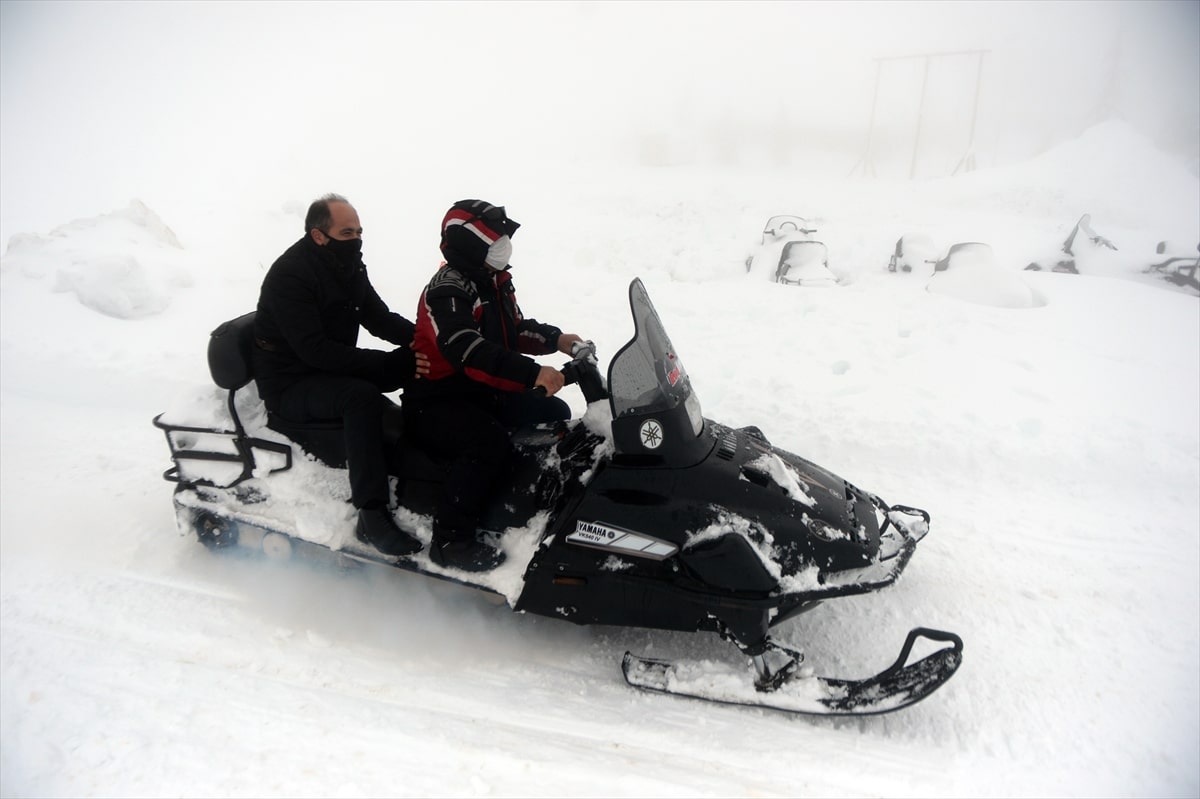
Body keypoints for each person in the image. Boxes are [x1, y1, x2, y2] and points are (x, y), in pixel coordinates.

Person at [403, 199, 589, 572]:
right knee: (485, 443)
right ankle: (450, 541)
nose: (504, 247)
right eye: (496, 240)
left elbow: (512, 330)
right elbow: (466, 349)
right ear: (471, 245)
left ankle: (528, 501)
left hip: (479, 389)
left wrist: (557, 339)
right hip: (438, 398)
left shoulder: (493, 281)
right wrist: (532, 374)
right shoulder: (448, 290)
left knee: (552, 413)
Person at [253, 193, 429, 558]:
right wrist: (390, 367)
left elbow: (378, 317)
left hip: (322, 371)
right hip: (290, 383)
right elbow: (314, 350)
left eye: (359, 231)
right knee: (361, 397)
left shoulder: (347, 265)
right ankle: (371, 515)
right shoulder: (291, 275)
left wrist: (426, 342)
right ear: (319, 235)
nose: (357, 240)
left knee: (410, 369)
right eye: (347, 232)